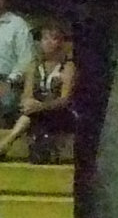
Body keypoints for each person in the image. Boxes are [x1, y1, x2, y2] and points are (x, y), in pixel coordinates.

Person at [0, 20, 75, 161]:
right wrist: (28, 103)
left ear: (61, 42)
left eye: (53, 38)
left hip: (58, 113)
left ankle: (6, 143)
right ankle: (7, 144)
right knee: (27, 114)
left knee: (30, 117)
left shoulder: (67, 67)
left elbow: (65, 100)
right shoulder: (34, 65)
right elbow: (27, 93)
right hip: (35, 113)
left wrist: (41, 106)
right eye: (44, 38)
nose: (48, 43)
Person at [0, 0, 34, 130]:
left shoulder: (17, 25)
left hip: (7, 80)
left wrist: (8, 82)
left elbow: (26, 60)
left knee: (6, 101)